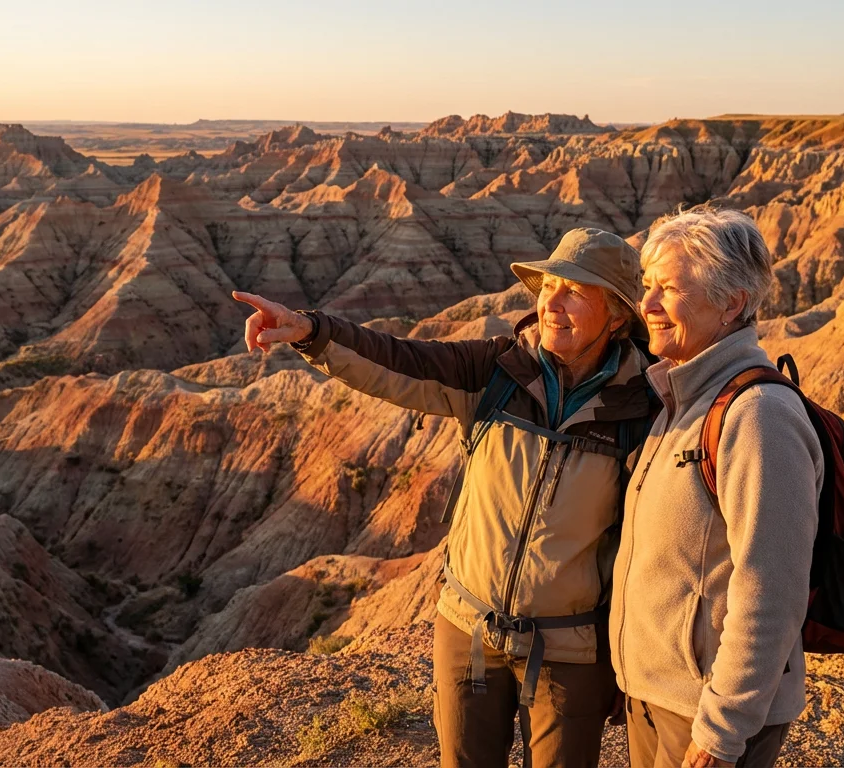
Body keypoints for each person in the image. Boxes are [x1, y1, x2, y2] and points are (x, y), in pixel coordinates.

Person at [233, 229, 657, 768]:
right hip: (469, 629)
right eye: (548, 286)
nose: (552, 302)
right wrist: (311, 332)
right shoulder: (496, 373)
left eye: (575, 291)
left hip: (569, 650)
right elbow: (400, 362)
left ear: (618, 315)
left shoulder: (641, 406)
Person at [609, 206, 823, 768]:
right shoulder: (685, 393)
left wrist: (720, 734)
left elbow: (769, 592)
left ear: (732, 303)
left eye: (669, 289)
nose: (647, 306)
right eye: (646, 287)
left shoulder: (758, 416)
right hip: (660, 701)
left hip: (705, 717)